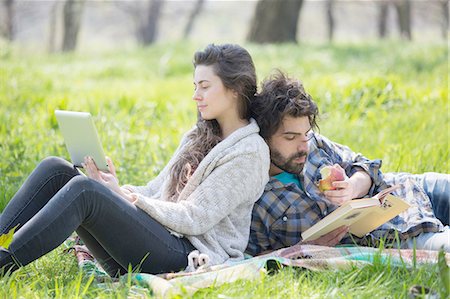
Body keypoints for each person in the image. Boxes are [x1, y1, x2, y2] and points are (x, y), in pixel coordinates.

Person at [0, 44, 270, 276]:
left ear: (235, 89)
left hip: (185, 256)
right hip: (155, 242)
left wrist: (126, 198)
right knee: (56, 169)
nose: (195, 95)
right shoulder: (197, 135)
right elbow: (156, 191)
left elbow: (194, 217)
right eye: (194, 86)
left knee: (84, 192)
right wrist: (116, 189)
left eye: (205, 86)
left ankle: (3, 264)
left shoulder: (248, 152)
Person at [246, 71, 449, 256]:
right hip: (400, 234)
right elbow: (253, 257)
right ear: (264, 137)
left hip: (412, 190)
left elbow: (365, 166)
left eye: (306, 134)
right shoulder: (255, 197)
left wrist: (352, 187)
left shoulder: (314, 143)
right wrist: (303, 248)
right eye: (290, 137)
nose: (303, 146)